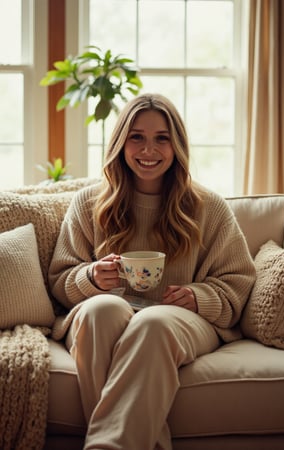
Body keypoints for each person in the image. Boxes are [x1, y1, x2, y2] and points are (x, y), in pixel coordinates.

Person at [48, 93, 256, 450]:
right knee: (103, 309)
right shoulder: (87, 203)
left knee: (153, 321)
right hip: (103, 310)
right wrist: (92, 279)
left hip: (178, 317)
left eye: (162, 138)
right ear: (120, 143)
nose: (149, 150)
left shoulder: (208, 207)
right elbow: (60, 281)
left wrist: (197, 297)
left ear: (177, 146)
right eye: (137, 137)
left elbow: (237, 283)